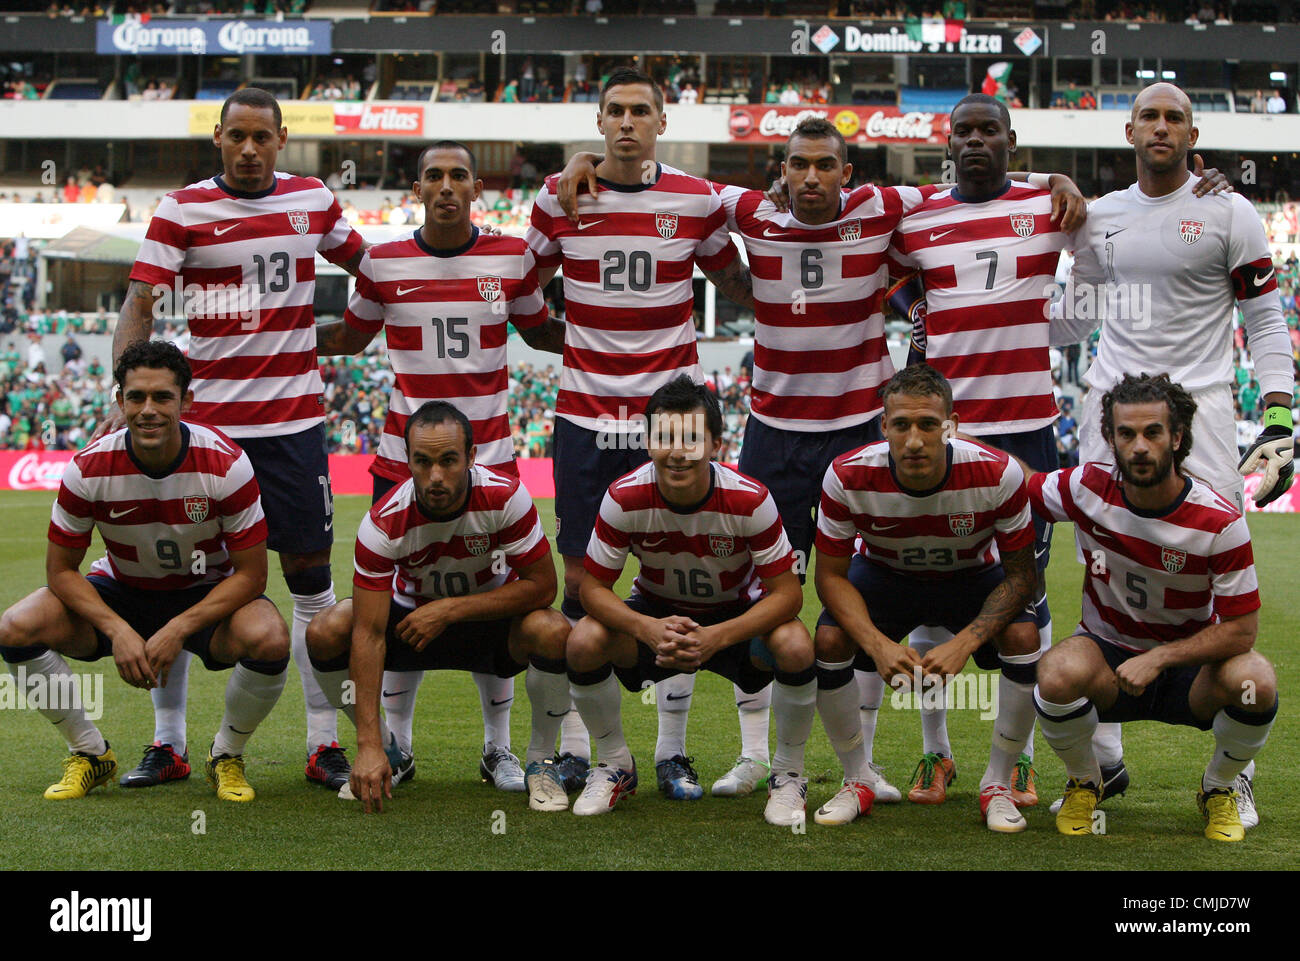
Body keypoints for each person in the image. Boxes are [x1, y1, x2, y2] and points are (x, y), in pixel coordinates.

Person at [112, 87, 368, 794]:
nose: (250, 148)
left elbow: (373, 270)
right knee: (180, 579)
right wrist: (124, 390)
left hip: (293, 429)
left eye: (263, 136)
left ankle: (324, 744)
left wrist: (344, 335)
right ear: (218, 139)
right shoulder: (182, 209)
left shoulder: (313, 199)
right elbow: (141, 303)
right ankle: (170, 744)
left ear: (282, 139)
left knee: (311, 579)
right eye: (237, 136)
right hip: (208, 435)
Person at [1052, 83, 1292, 822]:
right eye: (1149, 116)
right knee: (1109, 567)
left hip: (1208, 416)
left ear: (1193, 134)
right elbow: (1067, 326)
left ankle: (1229, 772)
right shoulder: (1099, 218)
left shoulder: (1230, 209)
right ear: (1128, 131)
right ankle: (1107, 756)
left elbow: (1264, 312)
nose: (1161, 127)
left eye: (1174, 118)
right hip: (1114, 416)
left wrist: (1280, 413)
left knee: (1219, 575)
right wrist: (1048, 220)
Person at [526, 66, 753, 801]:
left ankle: (671, 753)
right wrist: (582, 342)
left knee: (682, 575)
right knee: (580, 586)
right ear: (598, 120)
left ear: (663, 120)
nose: (627, 122)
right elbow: (525, 297)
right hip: (587, 417)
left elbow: (739, 279)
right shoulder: (558, 199)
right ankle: (576, 750)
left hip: (675, 418)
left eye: (640, 112)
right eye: (615, 111)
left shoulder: (698, 199)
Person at [317, 139, 566, 793]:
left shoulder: (512, 256)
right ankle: (391, 744)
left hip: (493, 461)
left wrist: (626, 332)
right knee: (399, 601)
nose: (447, 186)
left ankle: (498, 748)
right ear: (417, 188)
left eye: (460, 175)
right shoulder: (382, 261)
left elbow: (543, 333)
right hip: (403, 465)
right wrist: (262, 330)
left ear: (477, 188)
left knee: (491, 596)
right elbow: (348, 337)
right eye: (435, 176)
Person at [0, 341, 289, 802]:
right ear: (120, 401)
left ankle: (226, 754)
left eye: (162, 397)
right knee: (15, 627)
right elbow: (60, 572)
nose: (148, 410)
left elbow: (253, 576)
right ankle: (91, 753)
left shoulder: (227, 465)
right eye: (136, 397)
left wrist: (177, 628)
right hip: (122, 589)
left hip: (205, 591)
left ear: (186, 402)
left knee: (270, 637)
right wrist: (117, 630)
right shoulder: (87, 468)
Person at [1021, 374, 1277, 841]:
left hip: (1190, 671)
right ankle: (1087, 780)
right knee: (1055, 672)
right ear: (1112, 439)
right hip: (1108, 660)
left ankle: (1219, 787)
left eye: (1152, 433)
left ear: (1176, 437)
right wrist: (953, 443)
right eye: (1126, 434)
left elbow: (1241, 631)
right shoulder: (1085, 489)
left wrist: (1158, 658)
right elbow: (1016, 484)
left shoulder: (1219, 521)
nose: (1139, 447)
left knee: (1254, 682)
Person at [565, 376, 817, 823]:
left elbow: (788, 595)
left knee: (796, 645)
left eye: (691, 438)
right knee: (583, 640)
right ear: (648, 441)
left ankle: (788, 774)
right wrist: (645, 627)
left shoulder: (749, 499)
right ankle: (614, 764)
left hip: (732, 619)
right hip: (655, 615)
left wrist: (718, 637)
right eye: (664, 437)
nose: (677, 451)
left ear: (716, 443)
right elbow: (591, 589)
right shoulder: (624, 497)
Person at [305, 401, 573, 813]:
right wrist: (368, 744)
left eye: (448, 461)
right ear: (407, 460)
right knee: (327, 629)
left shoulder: (505, 497)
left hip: (488, 623)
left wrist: (449, 610)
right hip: (411, 628)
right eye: (422, 461)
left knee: (553, 629)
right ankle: (391, 753)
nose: (435, 476)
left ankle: (541, 762)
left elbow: (543, 588)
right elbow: (368, 632)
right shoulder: (383, 523)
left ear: (471, 456)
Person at [813, 364, 1040, 832]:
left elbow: (1023, 577)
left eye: (928, 425)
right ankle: (857, 779)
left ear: (950, 426)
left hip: (970, 574)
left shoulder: (998, 474)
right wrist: (877, 645)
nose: (914, 440)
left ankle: (997, 784)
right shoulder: (846, 475)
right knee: (830, 643)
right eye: (901, 425)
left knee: (1022, 634)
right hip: (885, 573)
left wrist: (966, 643)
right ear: (884, 427)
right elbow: (830, 577)